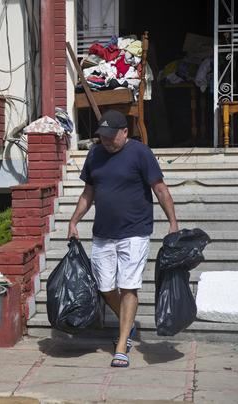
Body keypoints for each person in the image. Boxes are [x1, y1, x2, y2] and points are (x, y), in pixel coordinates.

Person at [67, 110, 178, 368]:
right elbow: (88, 193)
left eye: (111, 136)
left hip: (135, 231)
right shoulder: (95, 154)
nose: (106, 141)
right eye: (102, 136)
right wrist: (73, 221)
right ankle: (127, 325)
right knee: (105, 288)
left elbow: (159, 189)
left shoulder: (140, 153)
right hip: (103, 233)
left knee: (129, 286)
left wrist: (172, 222)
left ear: (125, 132)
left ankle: (121, 344)